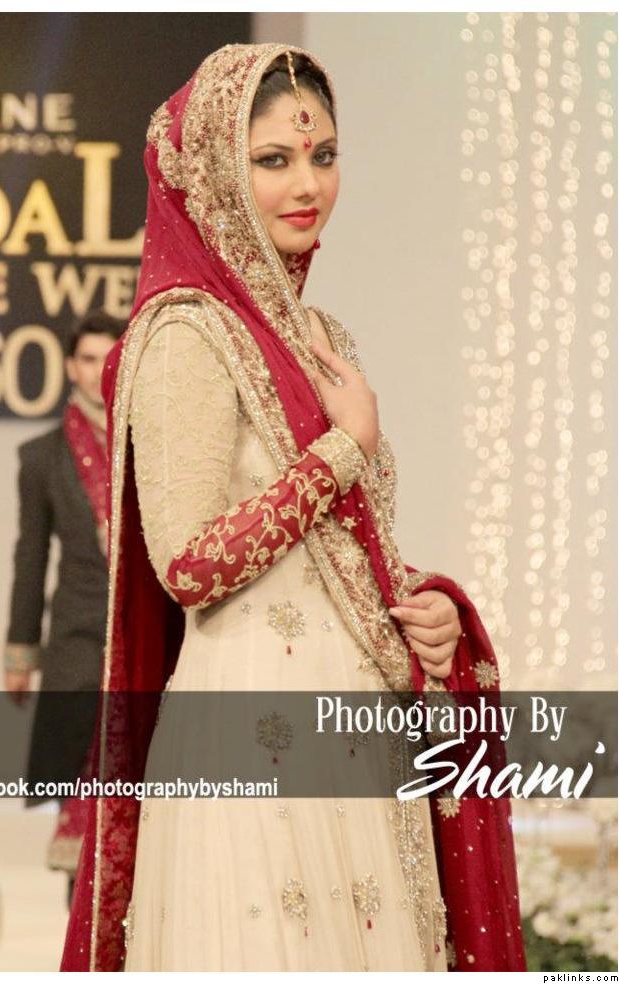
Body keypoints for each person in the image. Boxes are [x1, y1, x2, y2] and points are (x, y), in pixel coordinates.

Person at [61, 44, 525, 972]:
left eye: (323, 154)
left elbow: (341, 549)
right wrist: (340, 450)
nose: (307, 184)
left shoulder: (320, 334)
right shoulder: (186, 333)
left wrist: (424, 605)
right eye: (272, 160)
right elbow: (188, 563)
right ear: (214, 175)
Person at [3, 310, 125, 904]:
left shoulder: (151, 442)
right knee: (80, 762)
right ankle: (82, 922)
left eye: (108, 358)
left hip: (143, 632)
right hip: (77, 634)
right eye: (87, 358)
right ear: (70, 367)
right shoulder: (42, 457)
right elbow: (30, 558)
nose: (97, 370)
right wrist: (20, 653)